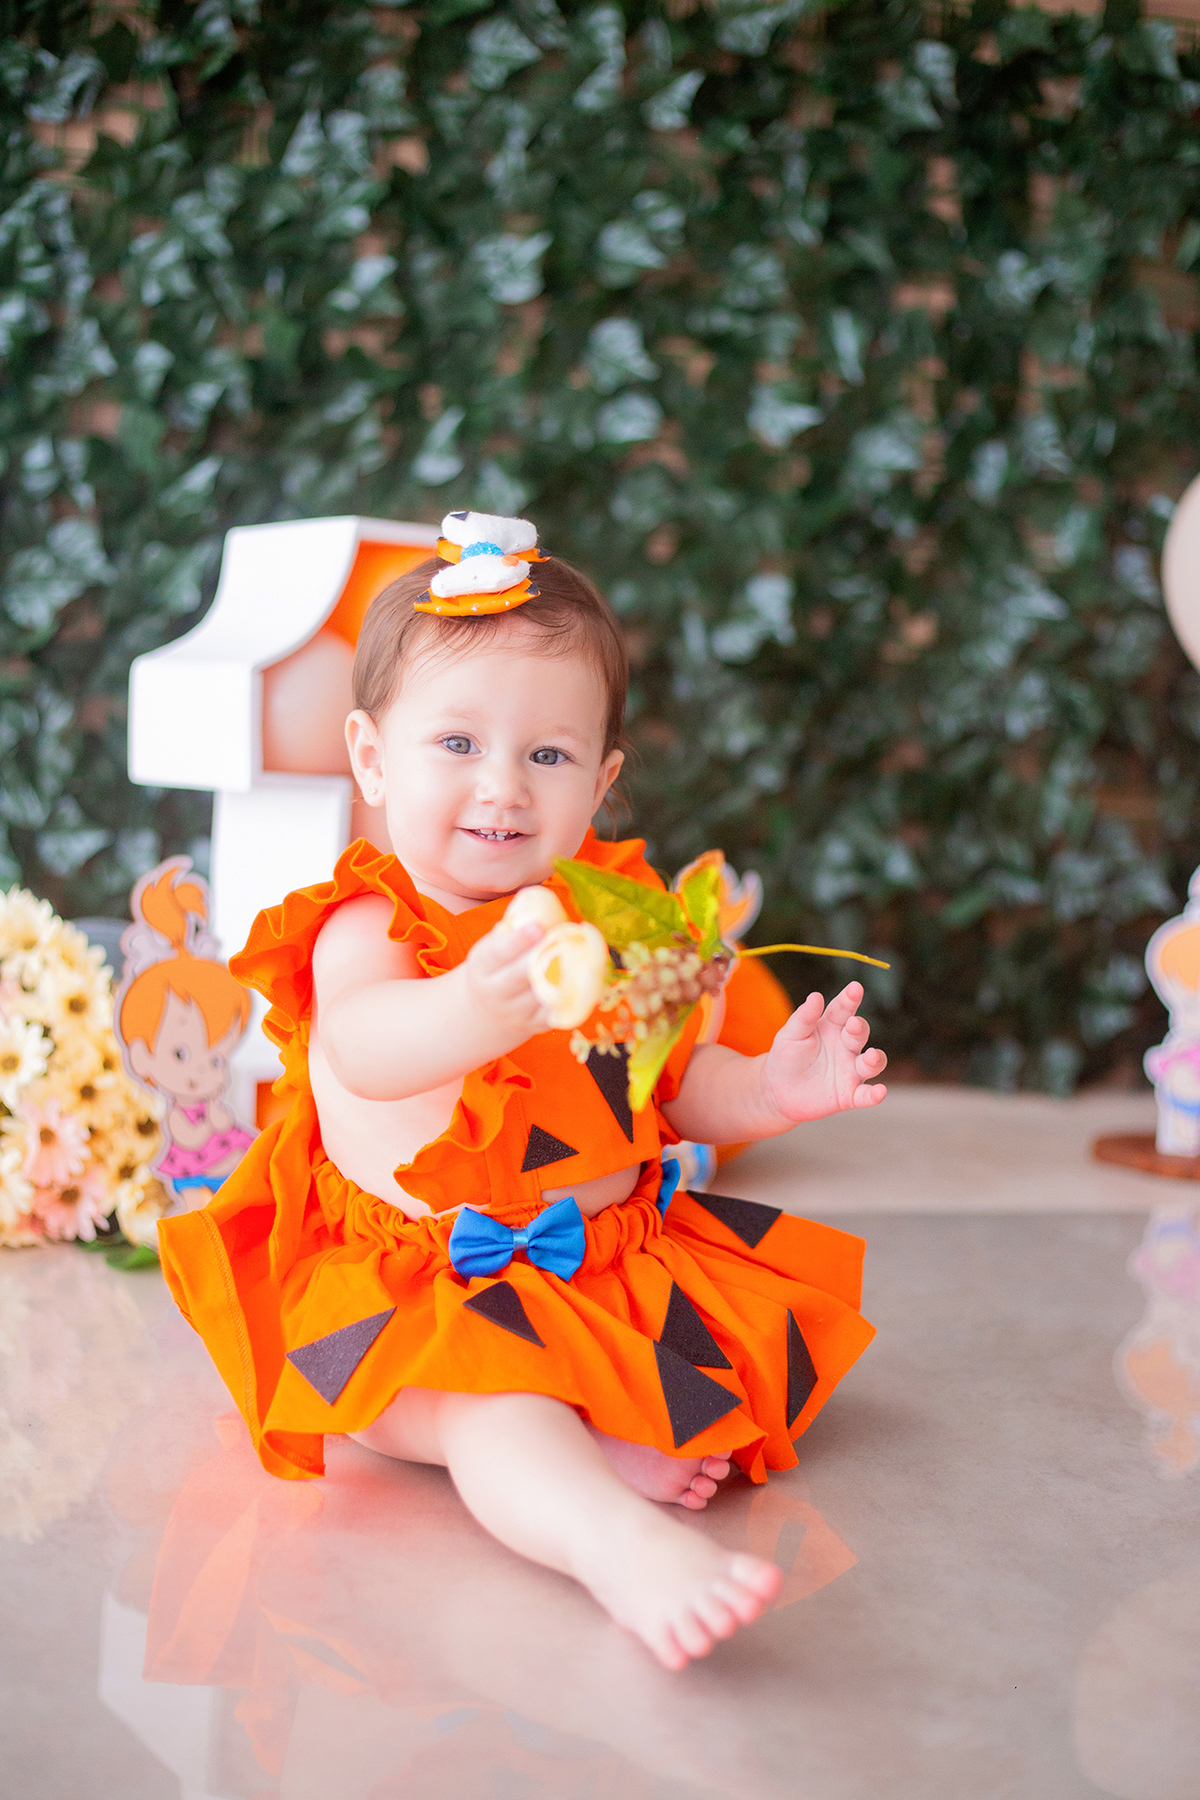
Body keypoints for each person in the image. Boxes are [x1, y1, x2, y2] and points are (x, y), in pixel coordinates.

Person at [158, 511, 887, 1671]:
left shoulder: (607, 917)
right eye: (457, 743)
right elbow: (363, 1046)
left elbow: (667, 1089)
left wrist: (770, 1091)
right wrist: (477, 1010)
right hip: (408, 1296)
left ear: (597, 781)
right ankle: (615, 1547)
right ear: (370, 758)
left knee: (702, 1373)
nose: (501, 787)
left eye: (546, 756)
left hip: (589, 1263)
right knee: (492, 1406)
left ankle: (597, 1434)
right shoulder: (367, 922)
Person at [117, 859, 254, 1198]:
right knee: (199, 1206)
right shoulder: (181, 1115)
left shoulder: (211, 1102)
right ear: (141, 1057)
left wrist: (218, 1117)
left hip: (224, 1168)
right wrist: (207, 1123)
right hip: (192, 1175)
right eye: (180, 1054)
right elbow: (188, 1138)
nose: (202, 1069)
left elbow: (222, 1124)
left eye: (216, 1059)